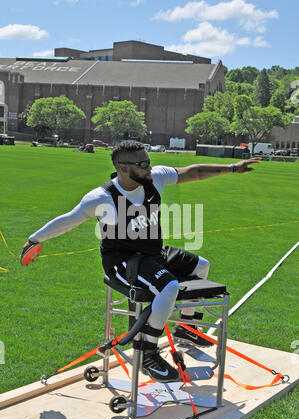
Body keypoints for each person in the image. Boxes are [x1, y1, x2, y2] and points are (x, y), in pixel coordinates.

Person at [20, 140, 261, 383]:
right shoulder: (102, 198)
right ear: (123, 168)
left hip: (153, 253)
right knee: (169, 286)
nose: (149, 167)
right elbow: (68, 219)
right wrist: (34, 239)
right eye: (143, 164)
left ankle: (186, 329)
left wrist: (232, 167)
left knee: (202, 266)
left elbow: (192, 172)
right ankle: (147, 352)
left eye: (148, 162)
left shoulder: (155, 178)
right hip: (123, 262)